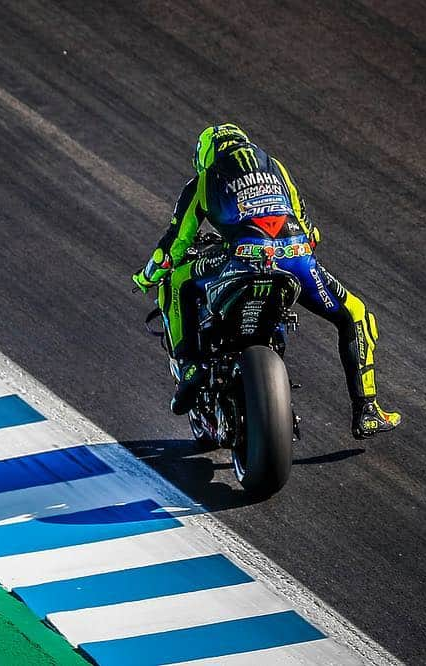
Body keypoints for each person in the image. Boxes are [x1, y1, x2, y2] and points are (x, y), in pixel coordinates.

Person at [132, 123, 401, 439]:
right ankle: (367, 409)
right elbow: (310, 231)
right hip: (296, 259)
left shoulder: (204, 181)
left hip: (242, 255)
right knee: (355, 314)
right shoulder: (277, 168)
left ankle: (190, 366)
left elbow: (173, 247)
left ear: (204, 156)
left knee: (177, 280)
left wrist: (146, 275)